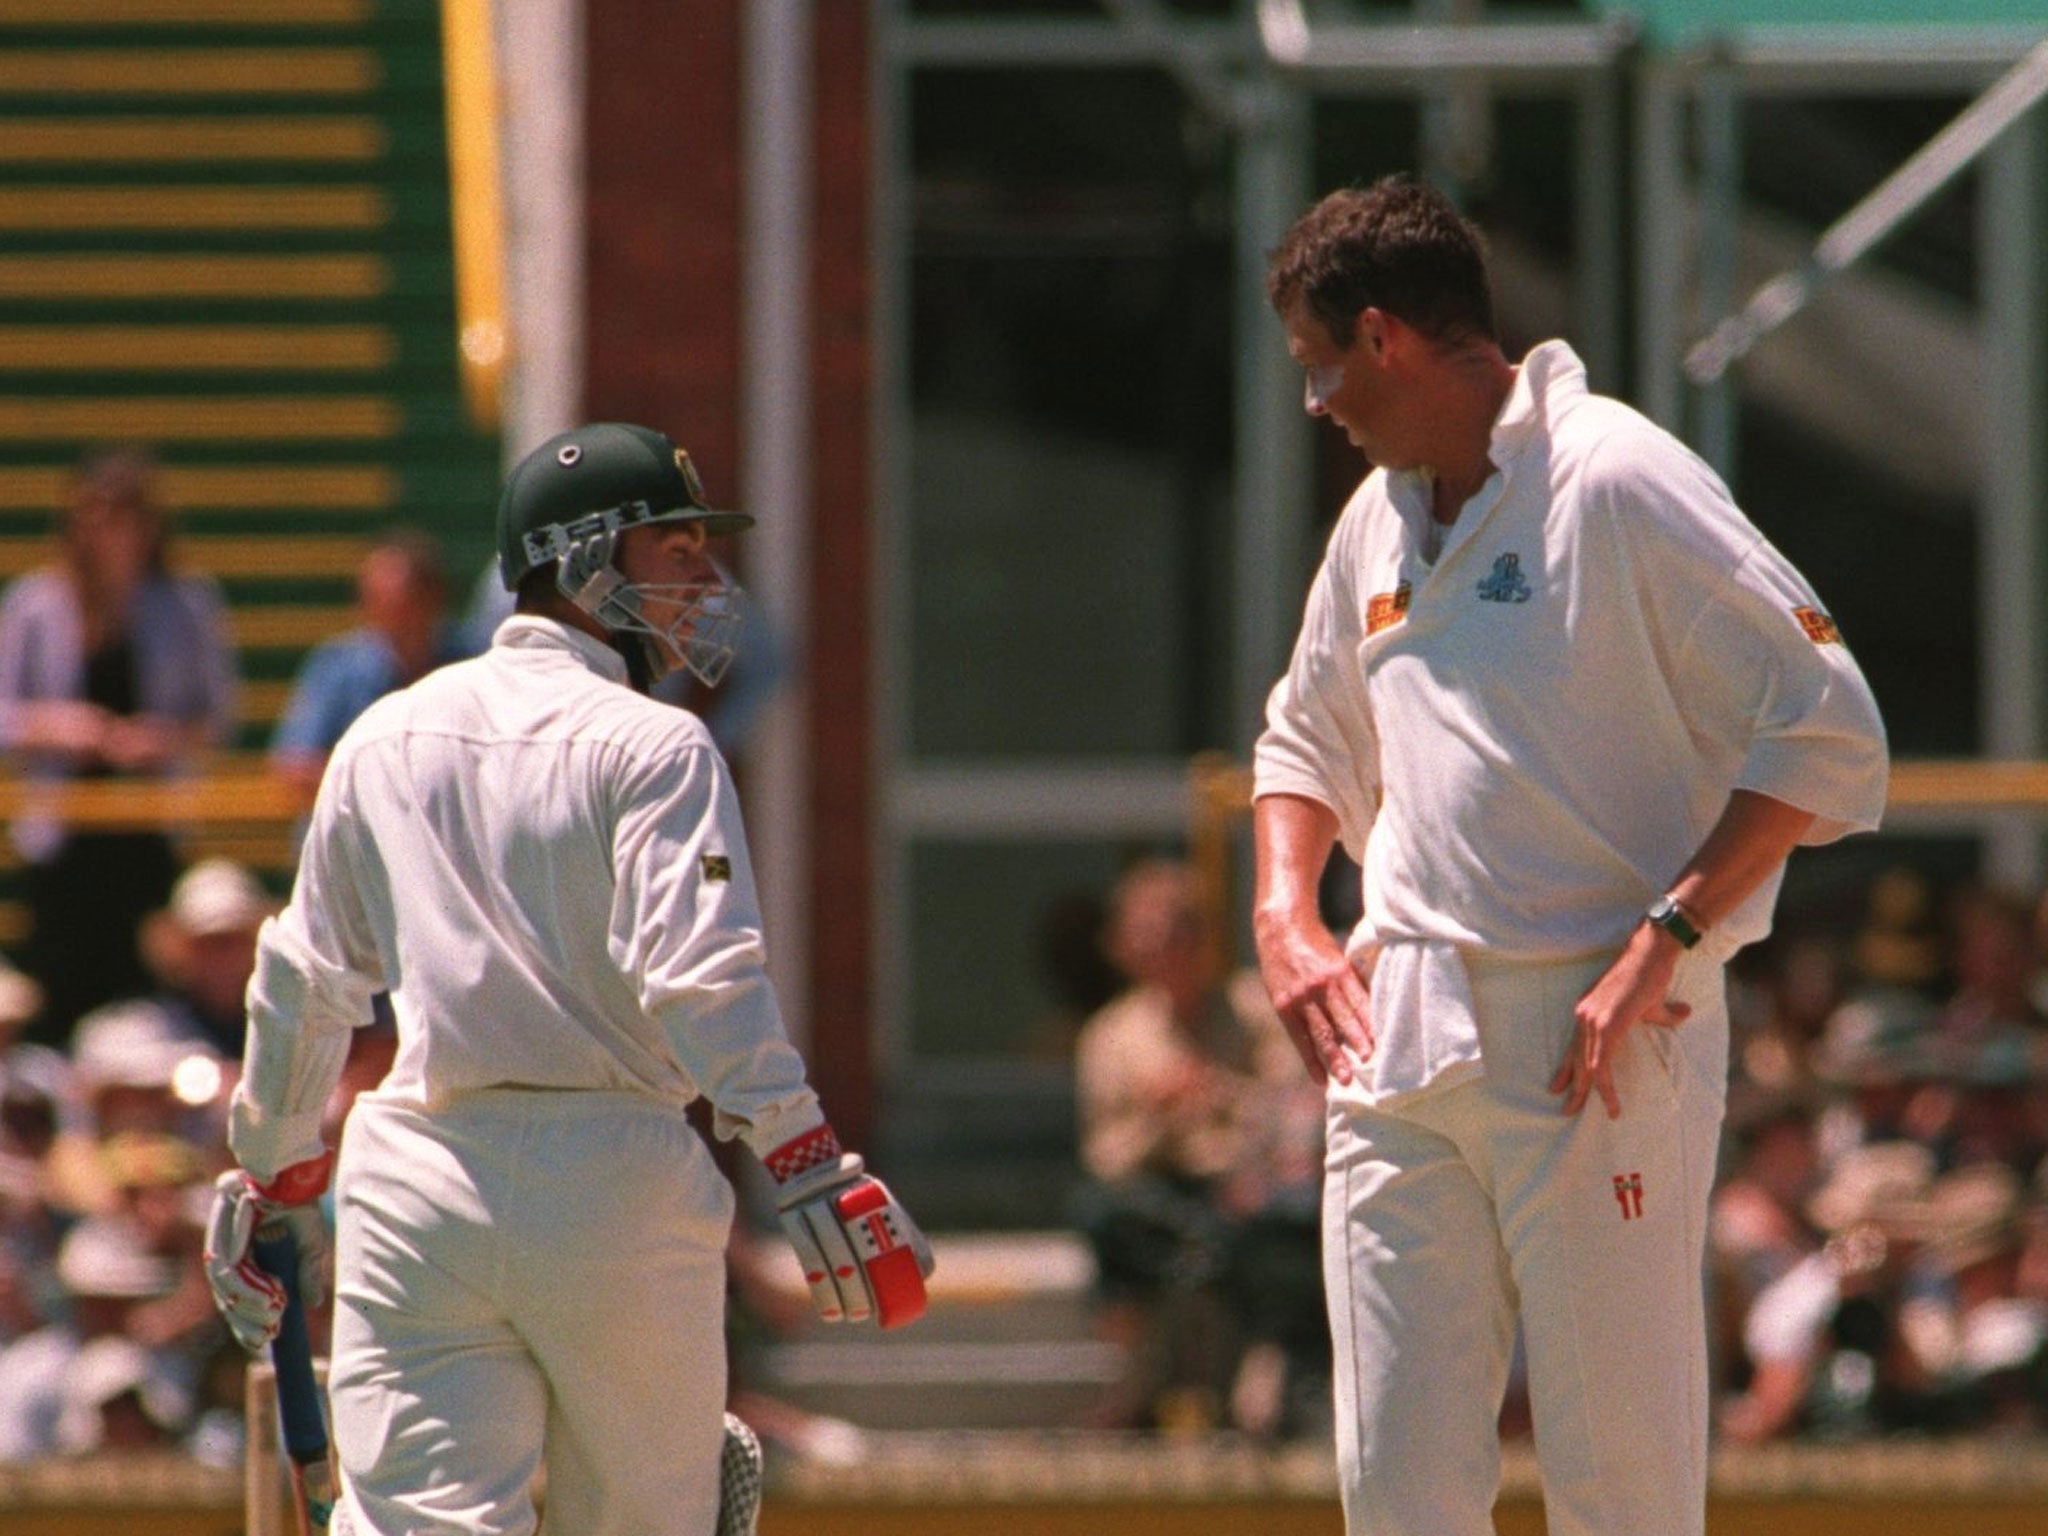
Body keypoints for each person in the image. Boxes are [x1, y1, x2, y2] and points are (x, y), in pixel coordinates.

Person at [1250, 177, 1888, 1534]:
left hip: (1599, 1045)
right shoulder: (1376, 517)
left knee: (1623, 1499)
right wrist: (1286, 920)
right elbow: (1302, 738)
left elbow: (1829, 724)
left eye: (1318, 367)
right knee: (1394, 1500)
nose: (1314, 405)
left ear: (1382, 339)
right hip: (1393, 1043)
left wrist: (1669, 935)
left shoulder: (1616, 475)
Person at [199, 422, 932, 1536]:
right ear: (584, 559)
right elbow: (697, 979)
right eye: (675, 550)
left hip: (419, 1182)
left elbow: (302, 978)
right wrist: (801, 1153)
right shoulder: (657, 745)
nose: (704, 583)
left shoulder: (384, 735)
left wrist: (272, 1171)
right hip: (613, 1183)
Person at [1069, 858, 1323, 1435]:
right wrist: (1160, 1118)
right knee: (1102, 1216)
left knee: (1288, 1229)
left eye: (1180, 933)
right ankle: (1135, 1380)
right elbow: (1104, 1157)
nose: (1167, 951)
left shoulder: (1254, 1011)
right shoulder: (1112, 1035)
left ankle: (1273, 1382)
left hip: (1244, 1190)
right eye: (1150, 937)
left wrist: (1218, 1094)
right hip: (1161, 1195)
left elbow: (1291, 1113)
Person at [0, 446, 239, 1045]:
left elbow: (216, 718)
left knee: (147, 992)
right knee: (60, 990)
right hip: (64, 832)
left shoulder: (187, 602)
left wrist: (159, 740)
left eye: (124, 516)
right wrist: (64, 729)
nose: (109, 531)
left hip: (148, 827)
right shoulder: (35, 604)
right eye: (97, 515)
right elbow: (5, 714)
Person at [270, 528, 474, 801]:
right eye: (373, 599)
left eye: (400, 603)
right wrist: (391, 783)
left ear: (433, 597)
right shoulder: (335, 666)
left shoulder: (469, 660)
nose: (385, 614)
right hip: (359, 822)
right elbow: (295, 766)